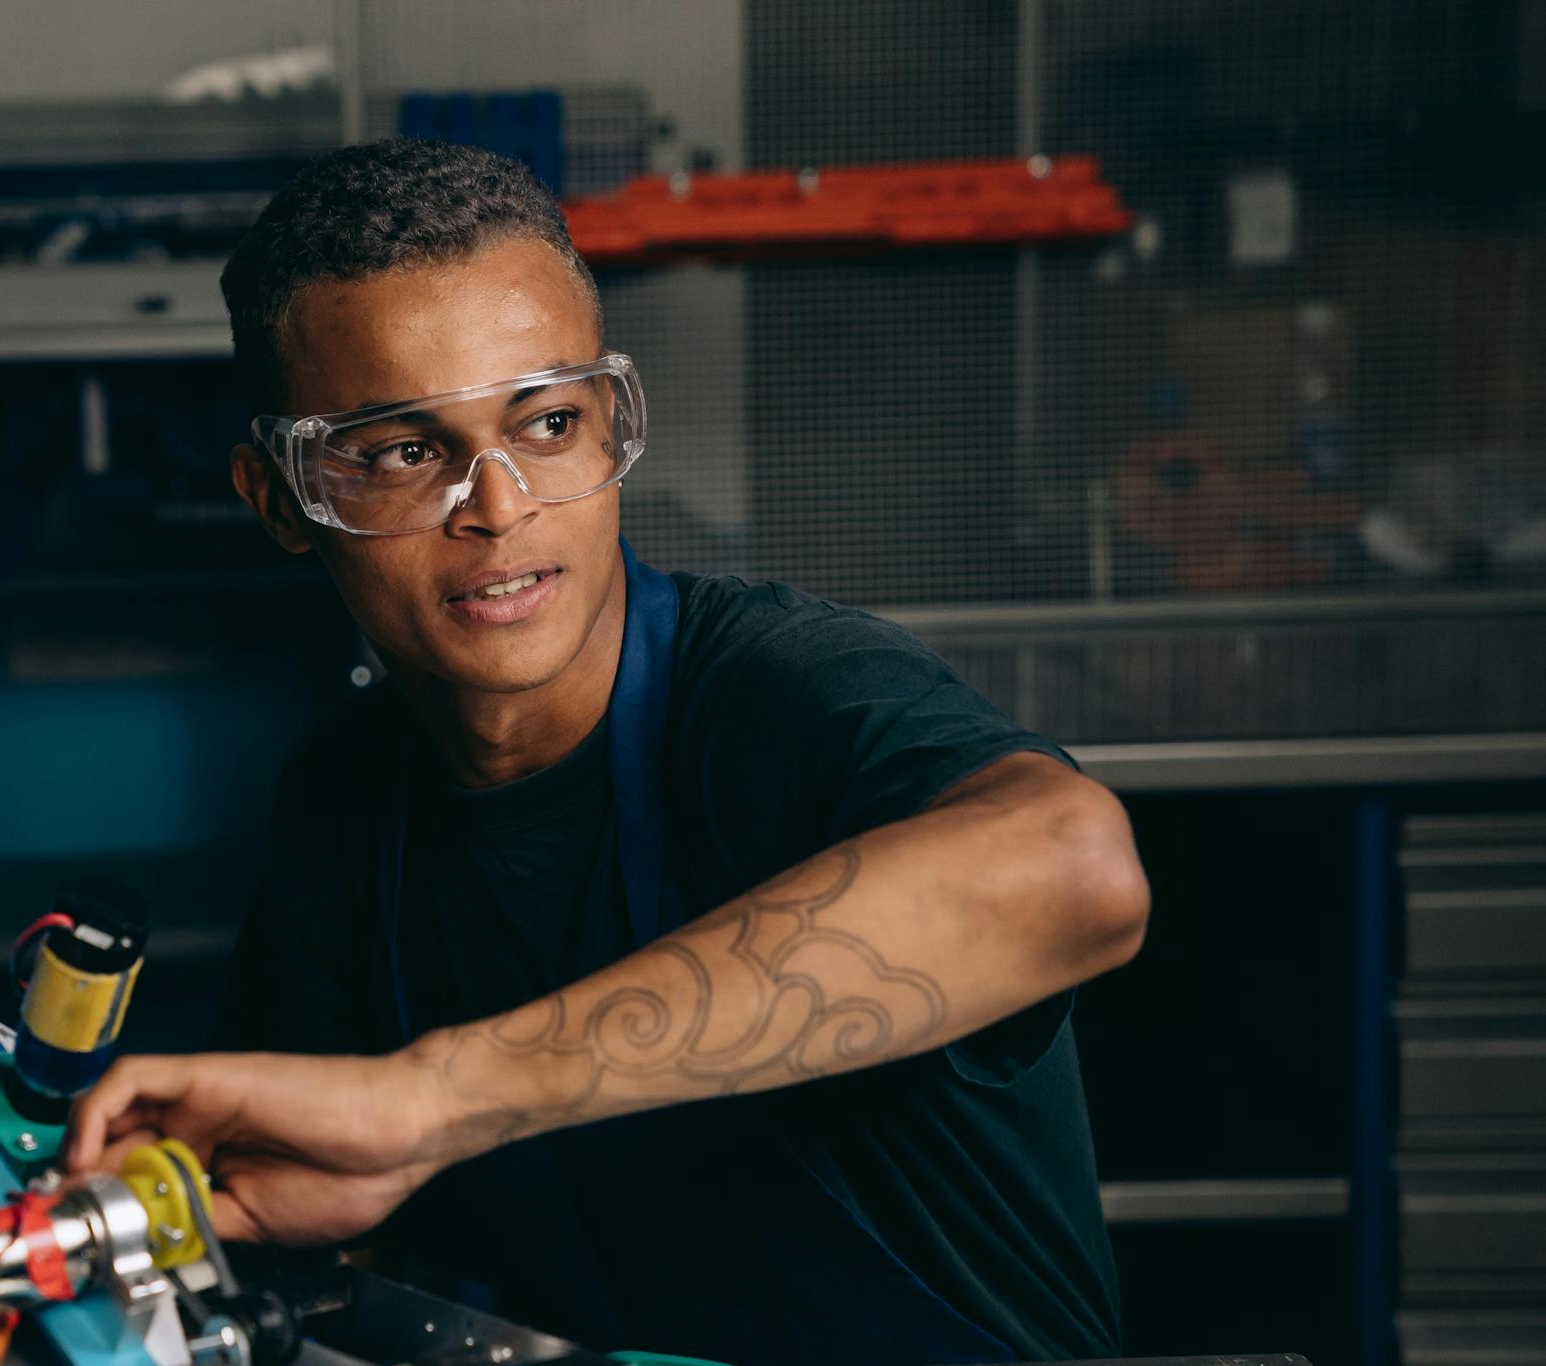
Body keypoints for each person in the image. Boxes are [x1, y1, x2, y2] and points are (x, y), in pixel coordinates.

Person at [68, 139, 1149, 1365]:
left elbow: (1075, 869)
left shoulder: (768, 692)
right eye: (402, 451)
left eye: (546, 422)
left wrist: (431, 1099)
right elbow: (313, 1235)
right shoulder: (344, 800)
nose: (498, 505)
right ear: (279, 497)